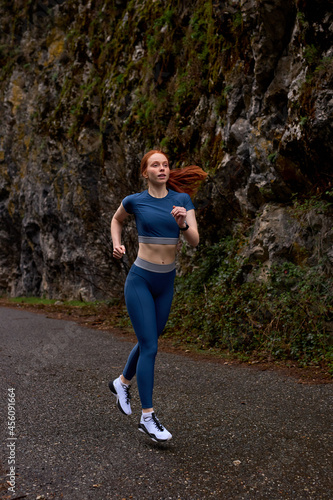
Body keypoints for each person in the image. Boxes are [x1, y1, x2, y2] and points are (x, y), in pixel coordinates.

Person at [109, 149, 207, 443]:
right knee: (150, 346)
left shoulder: (182, 201)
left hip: (166, 283)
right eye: (155, 165)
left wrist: (182, 224)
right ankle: (147, 418)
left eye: (165, 164)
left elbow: (195, 241)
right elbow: (117, 220)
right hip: (140, 280)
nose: (162, 168)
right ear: (145, 172)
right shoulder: (134, 201)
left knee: (150, 339)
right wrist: (117, 244)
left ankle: (122, 381)